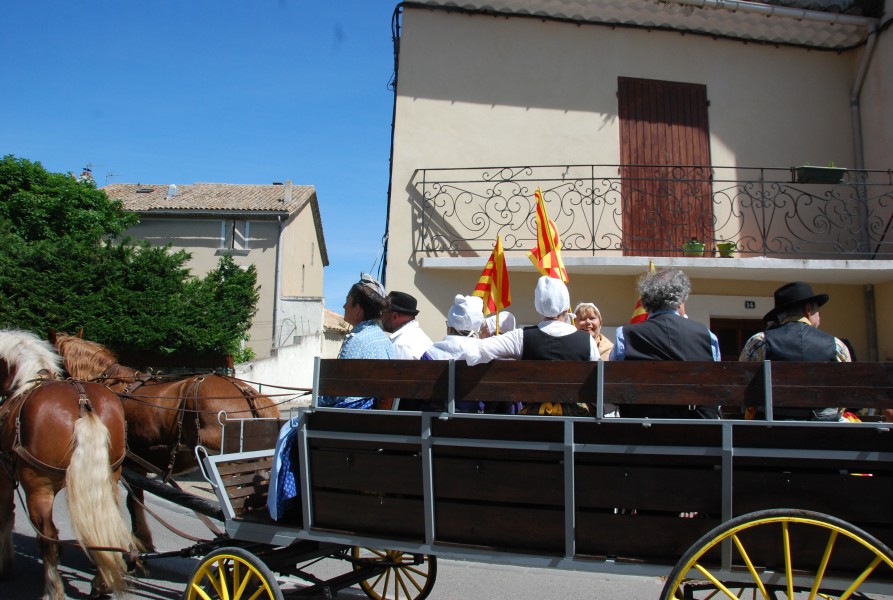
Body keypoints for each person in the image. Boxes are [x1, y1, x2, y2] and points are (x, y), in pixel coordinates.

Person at [268, 274, 391, 521]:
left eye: (347, 301)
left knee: (291, 435)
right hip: (372, 419)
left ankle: (293, 502)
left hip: (350, 422)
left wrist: (319, 400)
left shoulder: (357, 341)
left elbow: (340, 393)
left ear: (358, 308)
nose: (344, 306)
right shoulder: (383, 338)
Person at [457, 276, 616, 417]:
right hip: (575, 420)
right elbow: (598, 384)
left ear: (538, 306)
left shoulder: (521, 336)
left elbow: (474, 351)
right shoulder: (587, 341)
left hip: (534, 419)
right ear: (566, 307)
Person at [611, 268, 721, 419]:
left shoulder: (625, 335)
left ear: (644, 301)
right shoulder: (707, 336)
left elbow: (614, 379)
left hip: (640, 425)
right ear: (681, 300)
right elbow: (716, 383)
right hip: (695, 426)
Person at [740, 281, 851, 421]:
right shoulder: (836, 345)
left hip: (772, 427)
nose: (819, 315)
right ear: (808, 309)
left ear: (780, 315)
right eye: (818, 311)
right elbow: (845, 395)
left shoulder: (760, 341)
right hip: (824, 428)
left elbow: (742, 385)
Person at [420, 294, 487, 412]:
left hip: (432, 421)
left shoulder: (430, 353)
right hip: (475, 421)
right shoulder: (485, 353)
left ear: (449, 326)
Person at [381, 291, 434, 360]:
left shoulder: (400, 345)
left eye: (383, 312)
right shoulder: (423, 338)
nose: (381, 317)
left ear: (395, 316)